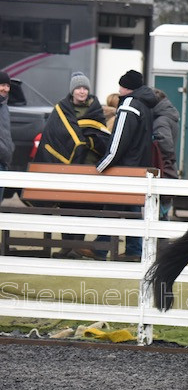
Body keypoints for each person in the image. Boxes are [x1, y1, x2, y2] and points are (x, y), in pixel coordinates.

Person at [34, 72, 110, 260]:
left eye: (85, 88)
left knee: (87, 209)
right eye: (78, 88)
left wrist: (89, 142)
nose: (82, 91)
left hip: (91, 168)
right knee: (66, 207)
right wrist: (78, 141)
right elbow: (53, 136)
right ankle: (66, 245)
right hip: (66, 168)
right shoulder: (61, 109)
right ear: (72, 91)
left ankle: (77, 245)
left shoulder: (96, 110)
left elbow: (102, 136)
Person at [97, 69, 159, 262]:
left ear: (127, 87)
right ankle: (132, 250)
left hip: (124, 169)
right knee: (131, 210)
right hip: (139, 167)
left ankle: (100, 248)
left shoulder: (129, 105)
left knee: (112, 208)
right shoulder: (146, 105)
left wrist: (102, 165)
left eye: (121, 86)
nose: (119, 89)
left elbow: (119, 141)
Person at [152, 88, 180, 219]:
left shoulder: (160, 121)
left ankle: (162, 239)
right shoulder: (169, 117)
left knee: (159, 212)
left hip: (163, 168)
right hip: (169, 168)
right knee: (163, 210)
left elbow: (165, 145)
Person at [0, 71, 13, 203]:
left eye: (7, 86)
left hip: (3, 162)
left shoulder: (4, 107)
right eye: (2, 85)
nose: (5, 89)